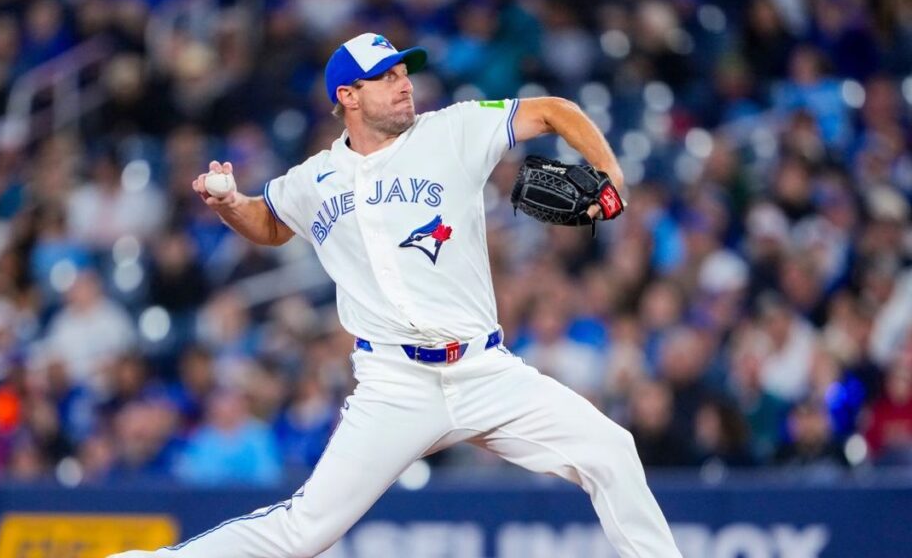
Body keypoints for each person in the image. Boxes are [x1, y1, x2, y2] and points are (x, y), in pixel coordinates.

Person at [111, 32, 681, 558]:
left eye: (403, 72)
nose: (404, 82)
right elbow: (270, 222)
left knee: (610, 451)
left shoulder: (452, 130)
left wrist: (611, 171)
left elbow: (554, 111)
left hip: (485, 371)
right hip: (395, 385)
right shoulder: (313, 178)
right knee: (304, 531)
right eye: (386, 76)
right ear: (348, 96)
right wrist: (233, 205)